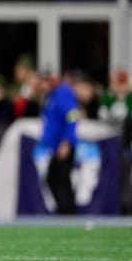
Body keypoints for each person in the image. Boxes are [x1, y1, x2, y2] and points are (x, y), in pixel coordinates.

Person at [32, 69, 79, 215]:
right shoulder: (50, 97)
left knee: (60, 180)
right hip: (56, 147)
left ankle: (68, 215)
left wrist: (67, 141)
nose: (42, 86)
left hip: (64, 146)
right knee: (55, 180)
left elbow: (72, 116)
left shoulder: (62, 93)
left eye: (43, 82)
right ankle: (65, 213)